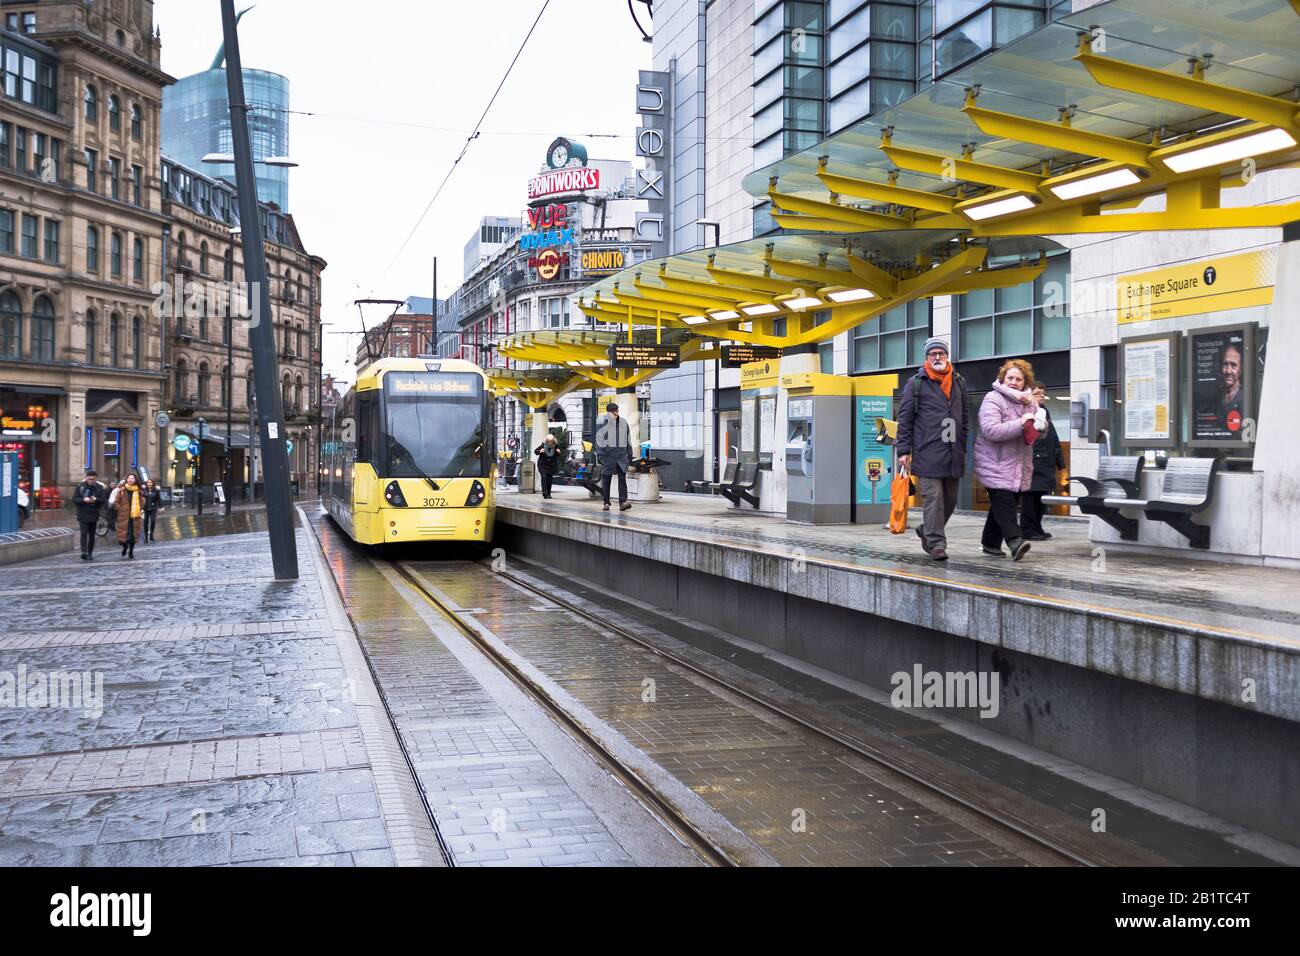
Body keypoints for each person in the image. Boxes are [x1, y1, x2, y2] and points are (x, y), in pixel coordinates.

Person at [895, 337, 968, 562]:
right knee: (933, 497)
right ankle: (937, 543)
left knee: (950, 499)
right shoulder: (916, 383)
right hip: (927, 451)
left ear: (947, 357)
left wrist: (963, 441)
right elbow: (905, 418)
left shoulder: (958, 382)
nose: (937, 357)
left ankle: (926, 528)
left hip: (953, 452)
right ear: (926, 358)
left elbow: (964, 415)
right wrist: (903, 451)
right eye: (932, 354)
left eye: (941, 353)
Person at [974, 359, 1038, 561]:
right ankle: (1015, 541)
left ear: (1024, 381)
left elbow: (1036, 432)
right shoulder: (992, 399)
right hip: (994, 462)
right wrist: (1021, 423)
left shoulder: (1030, 402)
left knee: (1004, 504)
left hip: (1019, 463)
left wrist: (1041, 428)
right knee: (1005, 503)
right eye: (1010, 377)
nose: (1013, 382)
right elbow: (991, 430)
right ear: (1002, 378)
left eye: (1018, 379)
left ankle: (990, 544)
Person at [1020, 385, 1065, 542]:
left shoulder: (1045, 411)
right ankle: (1027, 529)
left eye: (1043, 394)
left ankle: (1037, 527)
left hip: (1045, 462)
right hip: (1033, 461)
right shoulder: (1027, 412)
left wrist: (1060, 462)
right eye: (1036, 393)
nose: (1041, 396)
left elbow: (1053, 438)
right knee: (1030, 497)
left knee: (1040, 496)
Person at [595, 400, 633, 512]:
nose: (615, 413)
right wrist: (600, 455)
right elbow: (598, 440)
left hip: (621, 456)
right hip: (608, 456)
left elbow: (628, 440)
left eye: (616, 410)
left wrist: (629, 454)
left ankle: (623, 502)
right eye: (612, 411)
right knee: (606, 480)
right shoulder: (602, 423)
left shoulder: (623, 423)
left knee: (622, 479)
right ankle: (606, 502)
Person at [74, 469, 108, 561]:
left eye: (93, 479)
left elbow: (103, 500)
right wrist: (83, 500)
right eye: (89, 479)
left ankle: (90, 552)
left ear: (95, 479)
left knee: (92, 535)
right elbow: (75, 500)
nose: (91, 481)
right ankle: (83, 552)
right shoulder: (80, 486)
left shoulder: (99, 487)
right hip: (82, 513)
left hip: (93, 514)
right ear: (86, 478)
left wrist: (95, 499)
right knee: (83, 533)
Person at [115, 473, 144, 559]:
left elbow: (142, 501)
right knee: (123, 535)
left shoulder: (138, 491)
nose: (130, 479)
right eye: (129, 478)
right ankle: (124, 547)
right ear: (126, 479)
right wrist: (121, 509)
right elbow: (116, 502)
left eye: (132, 478)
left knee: (133, 536)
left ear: (135, 480)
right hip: (124, 516)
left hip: (134, 516)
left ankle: (131, 551)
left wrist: (140, 508)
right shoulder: (122, 490)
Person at [534, 433, 562, 499]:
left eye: (551, 441)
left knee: (549, 479)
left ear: (553, 441)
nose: (550, 442)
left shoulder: (555, 446)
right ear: (546, 440)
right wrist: (540, 451)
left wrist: (559, 452)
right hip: (542, 465)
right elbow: (535, 451)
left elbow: (558, 455)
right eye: (549, 441)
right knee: (544, 477)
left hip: (551, 465)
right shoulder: (543, 445)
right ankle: (545, 493)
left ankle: (548, 493)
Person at [142, 478, 164, 542]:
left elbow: (159, 499)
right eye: (148, 482)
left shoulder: (156, 490)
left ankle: (151, 535)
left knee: (153, 521)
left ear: (152, 483)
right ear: (146, 483)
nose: (149, 483)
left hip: (153, 508)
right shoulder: (143, 490)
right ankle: (146, 537)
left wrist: (161, 507)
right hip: (145, 508)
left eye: (150, 482)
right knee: (145, 522)